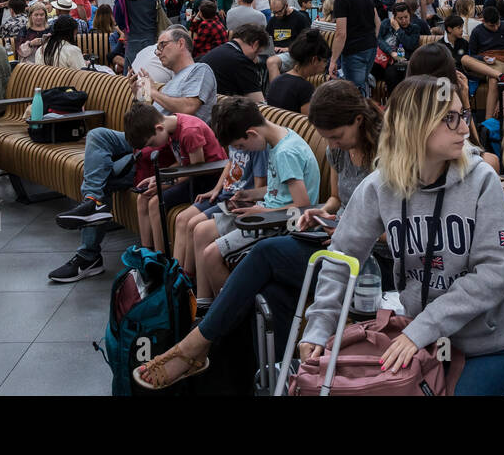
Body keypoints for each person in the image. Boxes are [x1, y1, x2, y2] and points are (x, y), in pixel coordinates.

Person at [133, 80, 378, 391]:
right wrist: (320, 212)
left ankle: (196, 345)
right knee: (272, 295)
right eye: (327, 137)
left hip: (363, 257)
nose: (332, 143)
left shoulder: (381, 161)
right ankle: (270, 379)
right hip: (329, 239)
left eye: (336, 136)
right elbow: (334, 201)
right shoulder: (338, 151)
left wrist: (345, 227)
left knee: (261, 255)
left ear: (357, 121)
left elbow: (391, 229)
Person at [297, 76, 504, 395]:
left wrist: (421, 330)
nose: (463, 128)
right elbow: (340, 259)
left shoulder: (481, 180)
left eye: (463, 116)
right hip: (421, 342)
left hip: (488, 347)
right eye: (450, 118)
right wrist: (317, 329)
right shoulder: (381, 185)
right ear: (413, 126)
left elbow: (493, 273)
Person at [50, 26, 217, 282]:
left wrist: (153, 91)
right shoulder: (172, 80)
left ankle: (89, 253)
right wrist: (137, 93)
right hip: (148, 141)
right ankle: (94, 201)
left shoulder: (200, 71)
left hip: (163, 149)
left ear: (181, 43)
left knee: (100, 172)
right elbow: (144, 117)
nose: (158, 51)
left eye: (162, 45)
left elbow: (190, 109)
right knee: (98, 137)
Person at [197, 97, 320, 299]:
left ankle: (230, 314)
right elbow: (279, 190)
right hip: (268, 212)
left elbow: (302, 205)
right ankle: (204, 305)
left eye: (241, 146)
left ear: (251, 133)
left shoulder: (285, 153)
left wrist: (262, 212)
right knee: (202, 232)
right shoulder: (277, 140)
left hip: (283, 223)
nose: (243, 151)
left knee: (211, 255)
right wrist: (250, 195)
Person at [122, 100, 228, 254]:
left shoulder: (189, 131)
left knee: (155, 203)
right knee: (143, 197)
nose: (152, 147)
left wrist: (163, 183)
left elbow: (196, 170)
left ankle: (161, 256)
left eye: (152, 143)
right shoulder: (170, 128)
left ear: (158, 128)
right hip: (192, 176)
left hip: (209, 179)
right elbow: (182, 162)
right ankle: (147, 251)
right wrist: (157, 177)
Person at [461, 5, 504, 123]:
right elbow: (472, 54)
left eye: (497, 24)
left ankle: (488, 122)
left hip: (502, 61)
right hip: (484, 63)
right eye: (492, 25)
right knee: (464, 58)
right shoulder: (477, 31)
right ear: (483, 21)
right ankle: (501, 76)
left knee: (493, 80)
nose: (495, 28)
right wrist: (482, 58)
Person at [328, 0, 378, 98]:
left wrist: (333, 60)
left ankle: (362, 117)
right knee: (362, 87)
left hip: (353, 50)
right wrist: (372, 40)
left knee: (354, 93)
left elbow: (340, 34)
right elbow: (377, 21)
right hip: (370, 47)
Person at [264, 28, 329, 115]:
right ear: (314, 60)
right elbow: (309, 124)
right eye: (324, 61)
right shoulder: (305, 88)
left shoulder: (277, 80)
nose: (325, 66)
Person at [200, 24, 268, 103]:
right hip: (219, 110)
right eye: (258, 53)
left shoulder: (220, 51)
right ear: (255, 45)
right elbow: (259, 103)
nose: (256, 59)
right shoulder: (241, 62)